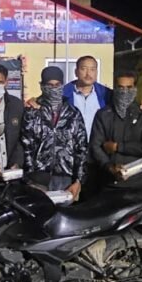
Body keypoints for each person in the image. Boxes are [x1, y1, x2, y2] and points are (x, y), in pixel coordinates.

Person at [21, 66, 88, 200]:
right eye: (49, 85)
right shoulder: (32, 112)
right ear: (42, 86)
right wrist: (30, 179)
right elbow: (26, 147)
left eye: (57, 85)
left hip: (66, 178)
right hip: (39, 179)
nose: (53, 89)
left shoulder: (73, 114)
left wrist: (78, 180)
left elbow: (81, 149)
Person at [88, 71, 142, 191]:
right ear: (115, 88)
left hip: (138, 183)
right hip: (108, 183)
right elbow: (95, 145)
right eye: (120, 87)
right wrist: (109, 166)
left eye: (129, 88)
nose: (124, 92)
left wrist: (118, 147)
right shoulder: (103, 115)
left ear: (135, 89)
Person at [62, 55, 112, 140]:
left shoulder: (107, 95)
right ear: (76, 72)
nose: (88, 74)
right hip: (71, 145)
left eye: (92, 69)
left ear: (96, 72)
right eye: (84, 69)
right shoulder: (63, 94)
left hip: (98, 145)